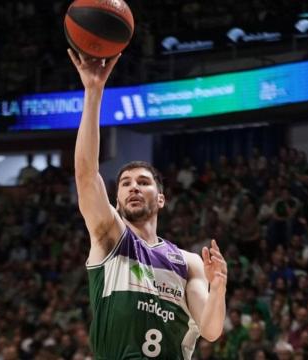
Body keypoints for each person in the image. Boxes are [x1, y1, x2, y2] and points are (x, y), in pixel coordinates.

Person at [68, 48, 227, 359]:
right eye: (125, 184)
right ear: (116, 199)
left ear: (161, 198)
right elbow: (86, 175)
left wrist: (218, 286)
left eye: (143, 182)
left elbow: (210, 330)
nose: (133, 188)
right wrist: (93, 91)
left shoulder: (188, 263)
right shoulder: (110, 237)